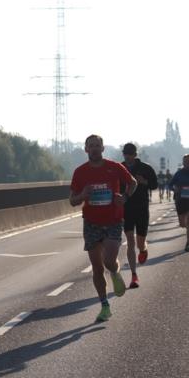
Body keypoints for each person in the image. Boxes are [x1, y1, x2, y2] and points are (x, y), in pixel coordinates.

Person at [70, 135, 137, 322]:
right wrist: (83, 195)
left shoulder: (114, 167)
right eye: (91, 146)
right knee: (97, 268)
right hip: (91, 223)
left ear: (103, 148)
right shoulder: (80, 172)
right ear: (86, 149)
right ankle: (105, 306)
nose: (94, 149)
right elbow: (72, 200)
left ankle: (115, 272)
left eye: (97, 145)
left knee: (108, 261)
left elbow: (133, 182)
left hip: (113, 220)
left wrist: (125, 197)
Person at [121, 143, 158, 289]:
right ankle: (133, 275)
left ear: (135, 154)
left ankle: (143, 249)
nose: (128, 156)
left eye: (130, 154)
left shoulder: (146, 168)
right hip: (126, 209)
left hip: (142, 208)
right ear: (123, 154)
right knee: (130, 241)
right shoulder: (119, 168)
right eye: (126, 153)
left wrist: (144, 182)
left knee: (140, 242)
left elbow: (155, 185)